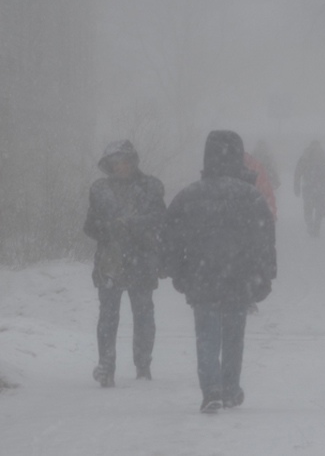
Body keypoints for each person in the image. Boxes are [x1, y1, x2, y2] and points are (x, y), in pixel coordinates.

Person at [162, 130, 277, 413]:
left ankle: (211, 390)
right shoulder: (251, 197)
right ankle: (230, 388)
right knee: (234, 337)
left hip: (202, 279)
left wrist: (178, 273)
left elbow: (171, 239)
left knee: (207, 337)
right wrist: (264, 276)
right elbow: (264, 242)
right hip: (239, 279)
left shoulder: (189, 196)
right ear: (239, 158)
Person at [83, 140, 166, 388]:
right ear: (108, 165)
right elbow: (89, 226)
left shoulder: (151, 187)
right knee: (108, 316)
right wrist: (110, 228)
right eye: (115, 163)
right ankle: (106, 366)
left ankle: (143, 366)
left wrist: (133, 225)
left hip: (142, 259)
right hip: (111, 261)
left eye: (125, 162)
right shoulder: (99, 190)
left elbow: (161, 220)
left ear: (133, 162)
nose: (120, 167)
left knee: (143, 315)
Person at [294, 140, 325, 237]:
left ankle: (311, 226)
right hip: (319, 188)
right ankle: (316, 228)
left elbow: (297, 173)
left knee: (308, 208)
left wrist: (297, 186)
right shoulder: (323, 158)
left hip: (308, 187)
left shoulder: (305, 158)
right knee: (318, 209)